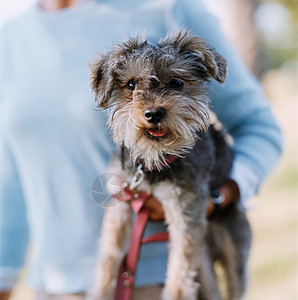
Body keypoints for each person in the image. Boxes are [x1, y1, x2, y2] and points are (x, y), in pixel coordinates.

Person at [0, 0, 283, 299]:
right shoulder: (9, 39)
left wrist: (217, 197)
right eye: (133, 86)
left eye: (173, 84)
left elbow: (260, 128)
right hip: (51, 286)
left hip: (164, 283)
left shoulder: (169, 7)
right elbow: (11, 177)